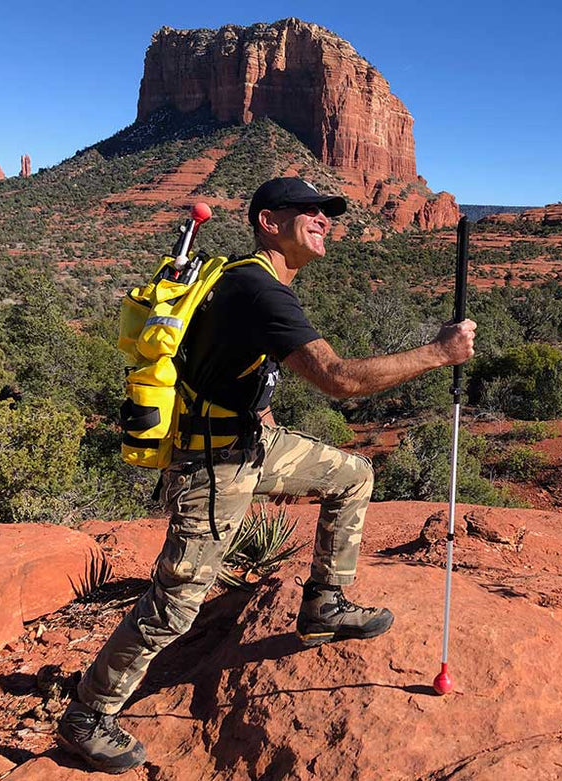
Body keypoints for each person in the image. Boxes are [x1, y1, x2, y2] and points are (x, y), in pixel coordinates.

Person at [56, 177, 477, 773]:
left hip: (251, 438)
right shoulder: (261, 290)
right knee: (178, 602)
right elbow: (338, 379)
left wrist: (259, 407)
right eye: (309, 211)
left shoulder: (248, 279)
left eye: (327, 213)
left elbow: (226, 362)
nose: (324, 220)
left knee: (352, 474)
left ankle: (324, 606)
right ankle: (86, 715)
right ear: (268, 221)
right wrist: (439, 353)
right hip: (216, 461)